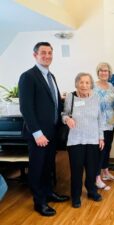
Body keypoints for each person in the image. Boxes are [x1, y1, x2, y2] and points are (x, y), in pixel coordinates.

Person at [18, 42, 69, 216]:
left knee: (48, 166)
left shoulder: (51, 76)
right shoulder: (28, 76)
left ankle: (49, 193)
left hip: (52, 131)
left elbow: (53, 103)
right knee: (38, 168)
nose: (47, 56)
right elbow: (26, 108)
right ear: (35, 55)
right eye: (43, 53)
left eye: (50, 53)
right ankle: (39, 202)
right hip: (38, 134)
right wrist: (37, 133)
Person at [62, 73, 104, 208]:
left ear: (91, 84)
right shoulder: (71, 97)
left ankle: (91, 191)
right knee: (76, 170)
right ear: (76, 84)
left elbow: (100, 118)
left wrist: (101, 137)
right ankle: (76, 196)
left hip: (92, 139)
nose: (84, 85)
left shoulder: (96, 98)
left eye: (87, 82)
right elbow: (64, 113)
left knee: (92, 169)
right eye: (81, 82)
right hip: (75, 139)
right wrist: (67, 119)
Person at [94, 62, 114, 191]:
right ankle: (97, 178)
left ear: (109, 73)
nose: (104, 73)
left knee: (108, 148)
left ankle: (105, 172)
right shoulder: (93, 86)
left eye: (106, 71)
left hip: (111, 122)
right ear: (98, 72)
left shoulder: (110, 86)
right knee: (100, 151)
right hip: (99, 124)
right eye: (101, 70)